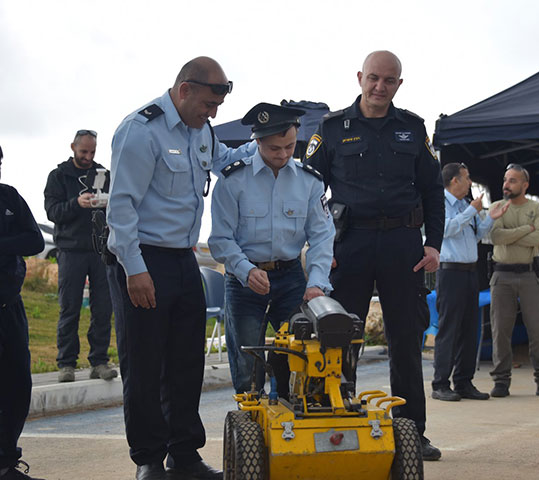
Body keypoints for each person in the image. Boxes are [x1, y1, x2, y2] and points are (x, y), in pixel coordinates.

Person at [106, 57, 255, 480]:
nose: (213, 114)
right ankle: (149, 459)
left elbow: (226, 159)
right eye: (209, 103)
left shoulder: (201, 131)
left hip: (182, 258)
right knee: (145, 362)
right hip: (142, 259)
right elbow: (121, 209)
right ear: (185, 89)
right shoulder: (141, 130)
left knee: (187, 361)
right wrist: (134, 270)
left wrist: (265, 139)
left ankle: (184, 454)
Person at [304, 50, 445, 461]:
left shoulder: (413, 129)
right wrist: (319, 248)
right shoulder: (331, 130)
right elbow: (308, 191)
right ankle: (339, 428)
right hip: (349, 246)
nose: (379, 87)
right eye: (373, 78)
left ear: (399, 84)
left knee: (405, 340)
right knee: (340, 338)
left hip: (403, 244)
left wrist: (433, 243)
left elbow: (433, 189)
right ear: (360, 77)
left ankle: (410, 432)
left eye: (388, 80)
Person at [209, 102, 335, 395]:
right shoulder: (232, 180)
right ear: (257, 141)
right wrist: (245, 269)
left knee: (295, 361)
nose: (283, 155)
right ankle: (248, 429)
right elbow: (220, 239)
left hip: (291, 278)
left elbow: (321, 236)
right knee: (247, 366)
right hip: (244, 281)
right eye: (274, 148)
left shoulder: (309, 181)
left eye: (290, 147)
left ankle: (288, 429)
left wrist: (316, 283)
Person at [431, 163, 509, 402]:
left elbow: (473, 235)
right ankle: (440, 383)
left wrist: (490, 219)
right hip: (450, 272)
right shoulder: (439, 203)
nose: (469, 183)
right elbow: (446, 230)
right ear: (454, 180)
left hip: (469, 272)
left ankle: (464, 381)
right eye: (466, 179)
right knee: (449, 329)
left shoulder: (466, 205)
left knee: (469, 328)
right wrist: (471, 212)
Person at [43, 130, 116, 383]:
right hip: (71, 250)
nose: (88, 157)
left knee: (103, 309)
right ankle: (66, 364)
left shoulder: (104, 175)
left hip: (100, 250)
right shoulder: (58, 176)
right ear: (73, 147)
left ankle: (99, 360)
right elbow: (52, 212)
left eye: (92, 152)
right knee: (69, 308)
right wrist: (77, 203)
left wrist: (107, 203)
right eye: (84, 151)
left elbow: (118, 205)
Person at [488, 164, 539, 399]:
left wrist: (513, 235)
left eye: (513, 180)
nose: (506, 184)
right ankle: (501, 381)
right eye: (506, 179)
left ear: (525, 185)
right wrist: (525, 230)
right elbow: (495, 236)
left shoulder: (538, 208)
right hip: (502, 276)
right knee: (500, 330)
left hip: (530, 275)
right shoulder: (497, 207)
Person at [0, 145, 46, 479]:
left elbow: (34, 241)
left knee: (17, 384)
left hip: (9, 307)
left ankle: (5, 462)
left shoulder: (9, 198)